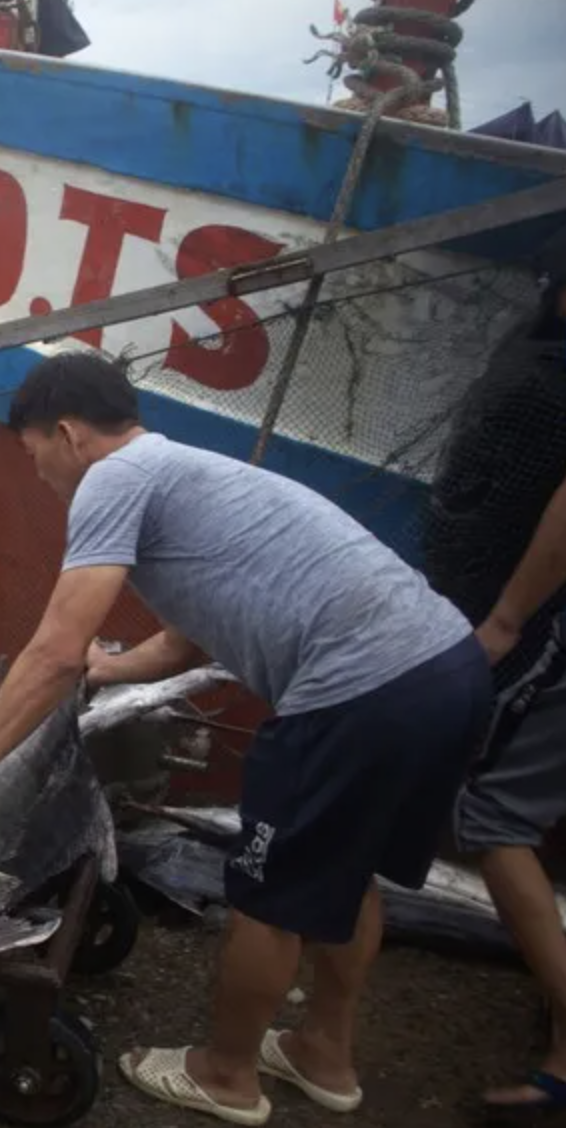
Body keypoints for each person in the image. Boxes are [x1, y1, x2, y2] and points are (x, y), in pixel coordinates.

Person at [0, 349, 491, 1125]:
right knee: (350, 868)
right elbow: (181, 644)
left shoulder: (111, 478)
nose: (35, 471)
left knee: (268, 899)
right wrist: (106, 675)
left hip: (356, 693)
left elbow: (56, 649)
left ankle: (226, 1075)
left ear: (66, 433)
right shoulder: (191, 472)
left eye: (31, 450)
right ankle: (323, 1053)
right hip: (446, 668)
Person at [420, 244, 566, 1116]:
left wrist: (509, 618)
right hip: (495, 596)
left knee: (491, 815)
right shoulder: (542, 340)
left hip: (546, 626)